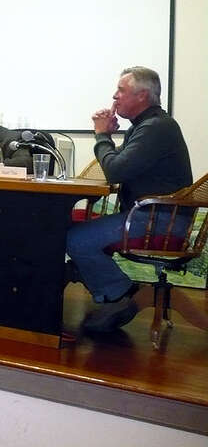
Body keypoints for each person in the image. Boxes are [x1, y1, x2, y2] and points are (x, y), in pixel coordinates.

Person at [67, 67, 192, 332]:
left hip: (160, 221)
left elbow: (114, 170)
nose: (115, 96)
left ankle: (122, 295)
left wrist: (102, 136)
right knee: (68, 230)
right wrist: (107, 138)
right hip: (152, 216)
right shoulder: (147, 126)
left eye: (121, 91)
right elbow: (118, 163)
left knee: (75, 239)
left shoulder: (156, 128)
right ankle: (109, 287)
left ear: (142, 95)